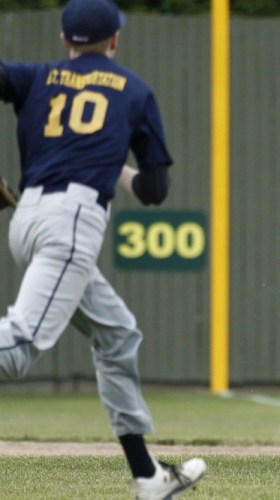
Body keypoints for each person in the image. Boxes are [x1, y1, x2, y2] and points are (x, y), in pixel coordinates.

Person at [0, 0, 206, 497]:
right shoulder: (134, 90)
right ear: (115, 39)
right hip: (71, 223)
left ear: (64, 40)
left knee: (117, 336)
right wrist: (113, 160)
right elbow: (155, 190)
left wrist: (96, 155)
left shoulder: (37, 76)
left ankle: (148, 476)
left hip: (27, 219)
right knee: (21, 346)